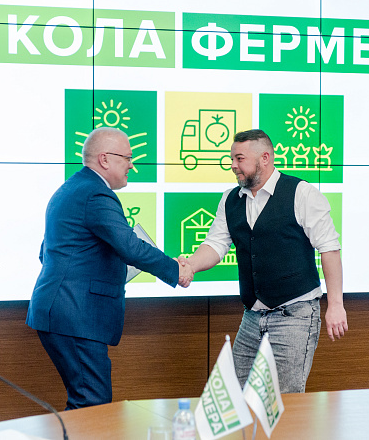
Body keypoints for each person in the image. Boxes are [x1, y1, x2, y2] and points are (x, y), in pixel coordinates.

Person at [26, 127, 193, 409]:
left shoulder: (71, 189)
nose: (132, 165)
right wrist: (176, 270)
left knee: (88, 402)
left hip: (64, 312)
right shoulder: (95, 194)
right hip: (75, 316)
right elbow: (130, 246)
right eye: (127, 158)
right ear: (104, 159)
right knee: (92, 403)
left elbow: (48, 253)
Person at [182, 129, 347, 393]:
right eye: (232, 159)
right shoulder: (230, 199)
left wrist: (336, 305)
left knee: (285, 401)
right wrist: (190, 265)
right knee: (233, 397)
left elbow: (329, 249)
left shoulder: (302, 193)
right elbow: (215, 244)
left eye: (239, 159)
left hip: (295, 315)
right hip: (251, 317)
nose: (233, 165)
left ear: (265, 158)